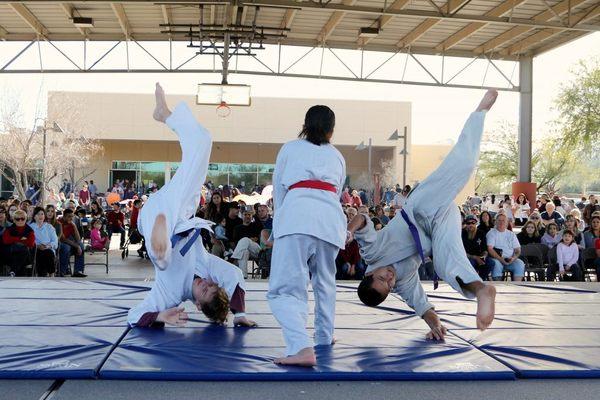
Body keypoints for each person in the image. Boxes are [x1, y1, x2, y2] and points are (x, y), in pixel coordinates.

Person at [350, 90, 498, 343]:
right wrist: (436, 325)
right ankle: (482, 290)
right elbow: (422, 307)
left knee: (462, 167)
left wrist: (348, 230)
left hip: (420, 209)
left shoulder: (371, 253)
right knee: (444, 264)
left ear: (369, 274)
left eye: (382, 278)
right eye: (388, 285)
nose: (389, 278)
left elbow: (363, 221)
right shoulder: (403, 282)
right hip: (440, 224)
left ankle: (479, 112)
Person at [128, 83, 256, 329]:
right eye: (211, 284)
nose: (205, 283)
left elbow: (134, 315)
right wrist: (239, 315)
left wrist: (158, 316)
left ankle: (159, 238)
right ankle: (164, 114)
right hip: (182, 213)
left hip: (154, 218)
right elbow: (234, 276)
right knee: (203, 141)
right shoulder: (208, 267)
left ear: (196, 305)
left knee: (163, 260)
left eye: (205, 290)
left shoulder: (172, 295)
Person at [268, 103, 347, 367]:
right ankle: (324, 337)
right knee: (325, 283)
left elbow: (279, 190)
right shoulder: (337, 156)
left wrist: (278, 226)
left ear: (305, 125)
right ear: (331, 131)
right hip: (329, 220)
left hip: (296, 215)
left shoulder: (290, 148)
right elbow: (335, 193)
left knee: (285, 289)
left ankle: (301, 346)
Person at [486, 213, 525, 281]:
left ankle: (517, 285)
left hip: (510, 259)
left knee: (520, 263)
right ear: (495, 222)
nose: (501, 222)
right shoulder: (491, 233)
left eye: (503, 220)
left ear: (507, 223)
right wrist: (501, 259)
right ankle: (499, 287)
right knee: (496, 264)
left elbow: (518, 250)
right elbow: (490, 249)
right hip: (496, 259)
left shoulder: (511, 234)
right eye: (499, 220)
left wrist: (513, 258)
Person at [230, 207, 263, 279]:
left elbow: (259, 236)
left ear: (252, 216)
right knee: (244, 252)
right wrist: (250, 239)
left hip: (257, 250)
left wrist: (248, 240)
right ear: (242, 216)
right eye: (245, 214)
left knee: (245, 239)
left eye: (249, 215)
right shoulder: (237, 228)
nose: (247, 216)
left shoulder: (256, 225)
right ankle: (243, 276)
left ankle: (233, 259)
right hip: (243, 250)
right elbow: (235, 241)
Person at [2, 209, 35, 276]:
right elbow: (6, 240)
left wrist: (14, 240)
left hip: (20, 256)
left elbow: (31, 243)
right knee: (24, 250)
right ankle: (26, 267)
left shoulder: (29, 230)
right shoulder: (9, 229)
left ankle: (13, 272)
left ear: (26, 219)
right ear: (14, 220)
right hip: (10, 253)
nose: (20, 220)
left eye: (22, 218)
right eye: (17, 219)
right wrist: (20, 239)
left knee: (23, 251)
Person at [461, 214, 493, 281]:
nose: (471, 225)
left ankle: (481, 279)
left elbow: (485, 249)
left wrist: (483, 256)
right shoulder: (462, 233)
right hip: (467, 257)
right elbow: (461, 251)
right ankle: (472, 281)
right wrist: (475, 257)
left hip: (480, 257)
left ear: (476, 223)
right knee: (471, 263)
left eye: (473, 222)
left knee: (491, 262)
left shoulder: (481, 233)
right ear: (466, 224)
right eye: (468, 223)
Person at [29, 206, 58, 277]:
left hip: (48, 248)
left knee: (48, 253)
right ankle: (41, 275)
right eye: (38, 214)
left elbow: (55, 242)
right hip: (36, 249)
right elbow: (29, 241)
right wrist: (37, 246)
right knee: (39, 255)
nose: (40, 216)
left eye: (42, 214)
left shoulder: (49, 227)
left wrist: (47, 246)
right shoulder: (30, 227)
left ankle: (51, 274)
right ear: (34, 216)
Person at [59, 208, 86, 277]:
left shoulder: (71, 224)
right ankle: (62, 271)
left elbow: (78, 239)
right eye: (69, 216)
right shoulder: (59, 222)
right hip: (60, 242)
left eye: (72, 216)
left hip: (68, 241)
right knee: (67, 248)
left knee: (81, 246)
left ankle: (77, 271)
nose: (71, 218)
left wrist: (74, 226)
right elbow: (63, 239)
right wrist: (77, 246)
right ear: (64, 216)